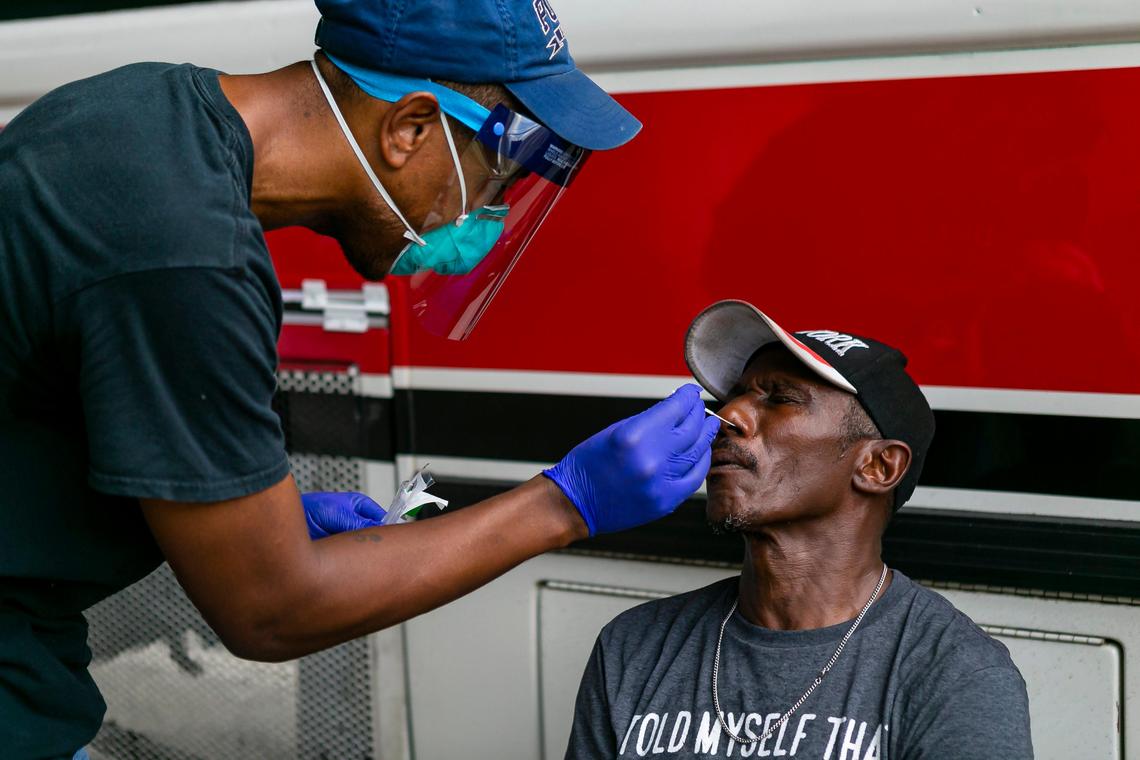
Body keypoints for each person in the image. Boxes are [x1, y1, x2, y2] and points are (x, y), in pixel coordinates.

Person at [0, 1, 720, 757]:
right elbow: (269, 612)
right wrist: (564, 503)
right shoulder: (187, 260)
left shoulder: (138, 107)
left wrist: (255, 518)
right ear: (409, 129)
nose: (493, 209)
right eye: (498, 169)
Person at [565, 300, 1034, 759]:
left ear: (878, 466)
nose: (728, 416)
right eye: (732, 398)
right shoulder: (633, 646)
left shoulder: (956, 675)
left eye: (780, 398)